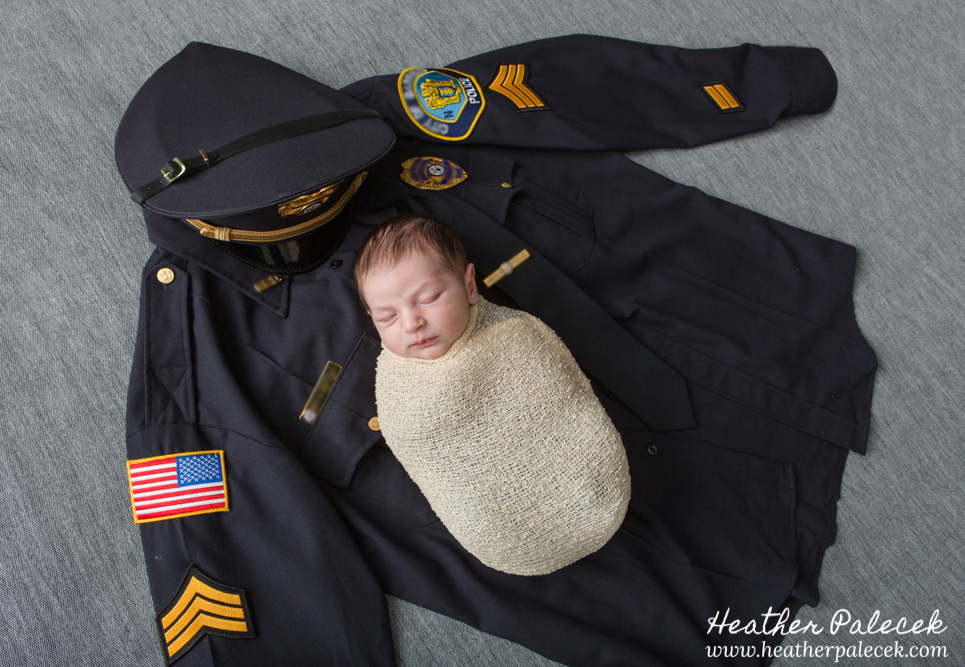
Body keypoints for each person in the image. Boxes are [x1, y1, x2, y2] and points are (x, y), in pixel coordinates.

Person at [114, 36, 877, 666]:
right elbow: (211, 541)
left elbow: (568, 84)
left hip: (745, 343)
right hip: (634, 548)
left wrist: (748, 84)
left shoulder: (375, 117)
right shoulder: (188, 345)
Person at [356, 214, 631, 576]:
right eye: (387, 317)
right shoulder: (397, 386)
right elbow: (414, 440)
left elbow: (557, 399)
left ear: (470, 286)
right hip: (499, 531)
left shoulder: (512, 336)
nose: (411, 323)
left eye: (429, 298)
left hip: (584, 486)